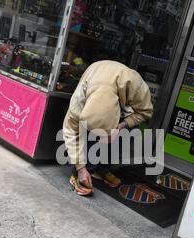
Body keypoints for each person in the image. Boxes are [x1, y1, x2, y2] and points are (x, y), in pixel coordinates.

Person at [63, 60, 154, 196]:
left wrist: (122, 125)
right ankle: (80, 173)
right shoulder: (78, 106)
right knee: (89, 139)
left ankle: (102, 168)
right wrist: (80, 168)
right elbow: (71, 134)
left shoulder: (135, 85)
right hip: (96, 80)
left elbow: (146, 112)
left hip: (123, 109)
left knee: (130, 132)